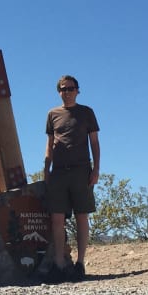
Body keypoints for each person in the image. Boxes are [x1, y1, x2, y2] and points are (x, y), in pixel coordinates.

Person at [43, 75, 100, 281]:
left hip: (81, 170)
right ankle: (59, 264)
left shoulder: (86, 112)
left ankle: (80, 263)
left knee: (82, 215)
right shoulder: (52, 114)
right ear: (59, 91)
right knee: (57, 218)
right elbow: (50, 143)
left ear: (77, 90)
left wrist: (96, 169)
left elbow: (94, 142)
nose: (67, 92)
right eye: (63, 89)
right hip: (59, 171)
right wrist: (46, 168)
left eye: (70, 88)